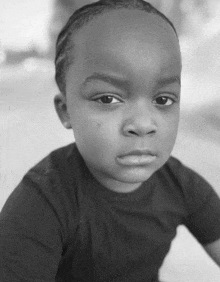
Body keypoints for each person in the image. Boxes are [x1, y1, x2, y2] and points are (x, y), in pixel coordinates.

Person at [1, 0, 220, 281]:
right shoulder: (42, 204)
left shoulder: (181, 185)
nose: (142, 124)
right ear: (66, 110)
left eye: (163, 99)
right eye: (108, 99)